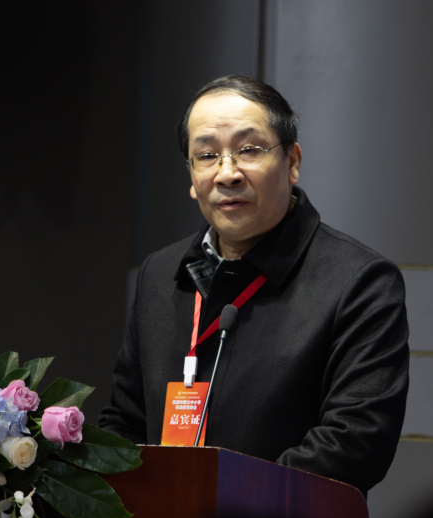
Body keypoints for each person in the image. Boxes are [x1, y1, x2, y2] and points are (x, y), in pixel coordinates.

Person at [99, 75, 409, 494]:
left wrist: (221, 504)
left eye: (249, 150)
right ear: (191, 176)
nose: (227, 174)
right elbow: (125, 422)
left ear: (293, 161)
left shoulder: (359, 281)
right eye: (207, 155)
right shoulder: (161, 273)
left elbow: (355, 443)